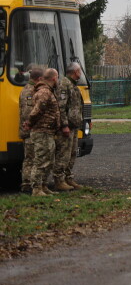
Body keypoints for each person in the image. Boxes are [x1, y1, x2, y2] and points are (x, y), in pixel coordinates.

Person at [28, 68, 70, 197]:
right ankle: (36, 189)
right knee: (41, 161)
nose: (58, 80)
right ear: (54, 78)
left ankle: (43, 186)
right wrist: (29, 122)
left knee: (49, 160)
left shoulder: (48, 91)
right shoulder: (44, 92)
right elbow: (36, 111)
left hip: (48, 131)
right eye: (57, 78)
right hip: (42, 131)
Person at [53, 62, 84, 191]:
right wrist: (64, 125)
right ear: (75, 72)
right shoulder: (64, 84)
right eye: (79, 70)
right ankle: (59, 180)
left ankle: (68, 178)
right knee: (63, 154)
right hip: (66, 127)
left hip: (74, 126)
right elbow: (61, 107)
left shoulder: (73, 85)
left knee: (72, 153)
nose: (80, 73)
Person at [18, 65, 43, 193]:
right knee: (30, 158)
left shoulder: (31, 89)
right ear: (39, 78)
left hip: (31, 130)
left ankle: (30, 183)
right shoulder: (29, 91)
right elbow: (28, 113)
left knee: (33, 158)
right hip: (29, 131)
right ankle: (27, 184)